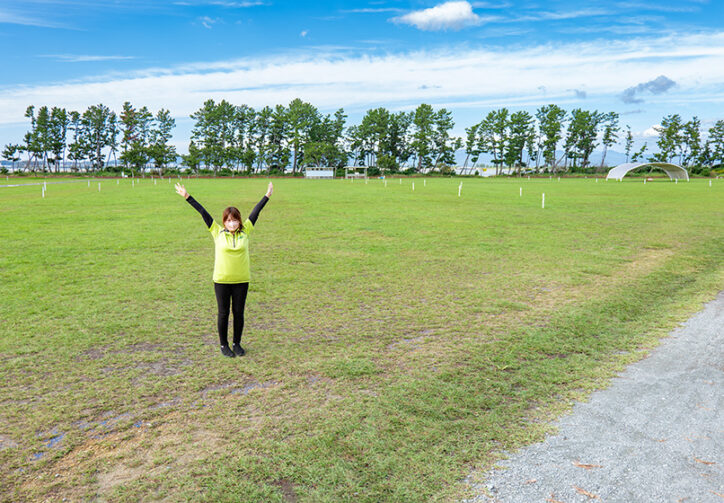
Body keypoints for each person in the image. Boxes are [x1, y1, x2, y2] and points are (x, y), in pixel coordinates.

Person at [175, 182, 273, 358]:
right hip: (221, 280)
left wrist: (267, 196)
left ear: (239, 220)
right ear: (224, 222)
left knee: (238, 313)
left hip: (241, 280)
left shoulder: (246, 231)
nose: (232, 223)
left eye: (235, 220)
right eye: (228, 220)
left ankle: (237, 343)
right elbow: (203, 212)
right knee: (223, 313)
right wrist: (187, 196)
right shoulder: (217, 231)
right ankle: (223, 345)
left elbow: (256, 212)